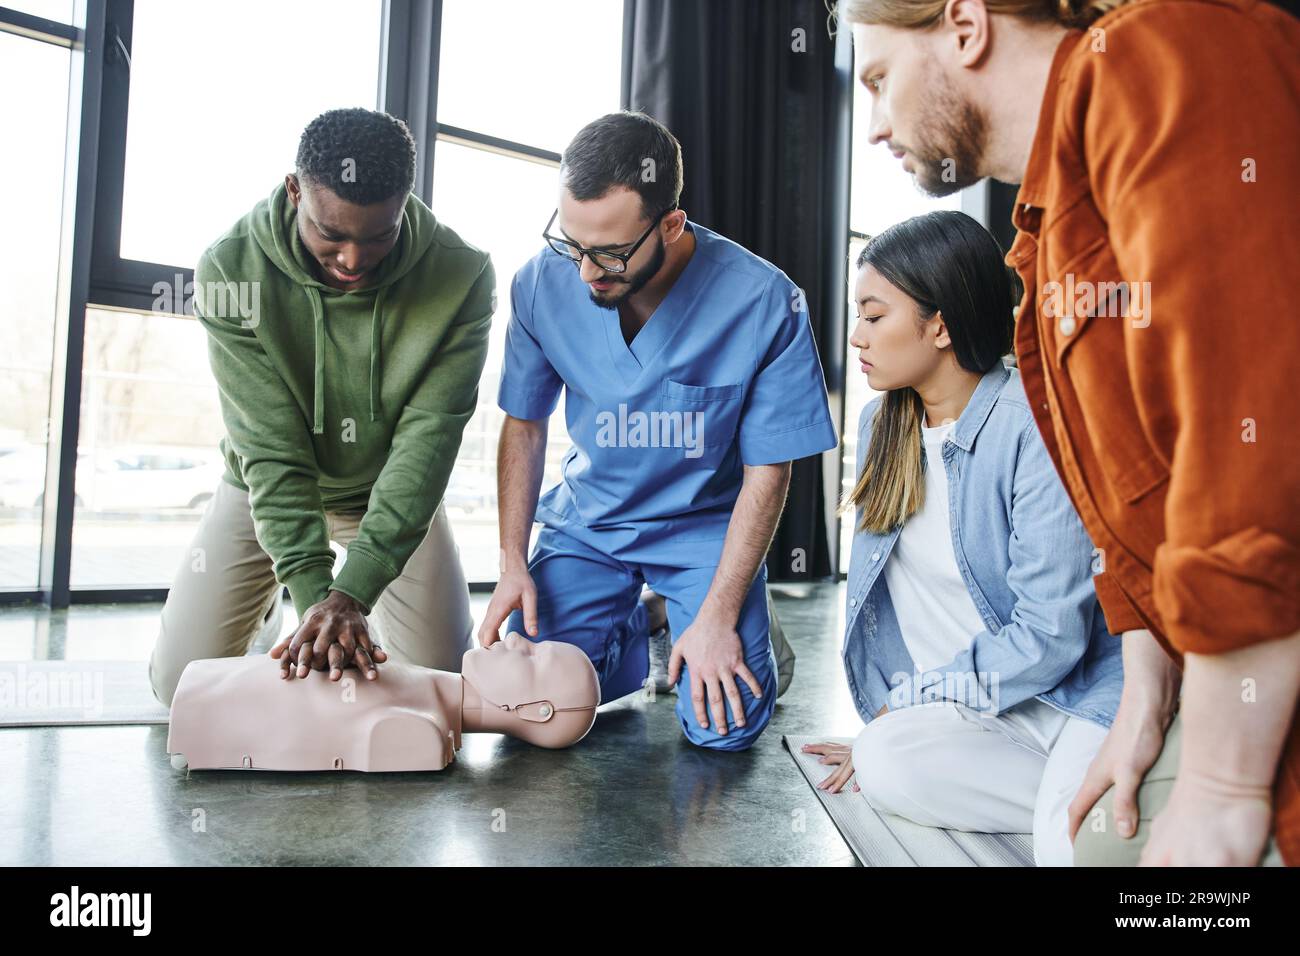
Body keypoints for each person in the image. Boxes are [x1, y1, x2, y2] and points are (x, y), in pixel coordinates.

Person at [839, 0, 1300, 864]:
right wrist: (1143, 699)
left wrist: (1223, 784)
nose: (875, 126)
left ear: (965, 27)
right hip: (1182, 670)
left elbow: (1255, 431)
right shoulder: (1042, 246)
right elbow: (1128, 526)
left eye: (879, 81)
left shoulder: (1157, 54)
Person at [477, 111, 838, 750]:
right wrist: (511, 561)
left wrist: (722, 613)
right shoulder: (541, 282)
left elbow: (769, 469)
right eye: (572, 243)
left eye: (611, 252)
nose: (586, 271)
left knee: (722, 729)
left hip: (703, 530)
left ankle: (730, 618)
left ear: (671, 225)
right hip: (594, 521)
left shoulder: (765, 303)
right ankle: (652, 623)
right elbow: (525, 425)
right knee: (535, 706)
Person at [149, 108, 495, 706]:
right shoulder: (231, 269)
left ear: (405, 203)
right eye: (331, 234)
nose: (354, 261)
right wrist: (316, 601)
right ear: (294, 191)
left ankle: (368, 610)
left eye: (377, 236)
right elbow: (270, 448)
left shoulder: (462, 276)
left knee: (442, 687)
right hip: (269, 487)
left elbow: (426, 445)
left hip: (388, 492)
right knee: (177, 687)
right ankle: (263, 609)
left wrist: (353, 593)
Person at [806, 212, 1122, 865]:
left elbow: (1051, 638)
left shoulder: (1030, 425)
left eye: (874, 316)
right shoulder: (880, 424)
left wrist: (909, 703)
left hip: (1066, 695)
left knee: (1073, 851)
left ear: (940, 325)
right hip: (974, 709)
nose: (856, 336)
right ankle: (1084, 803)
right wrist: (895, 722)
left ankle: (1088, 803)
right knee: (887, 762)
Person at [167, 633, 602, 772]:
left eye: (530, 656)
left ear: (535, 711)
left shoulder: (419, 730)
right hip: (205, 690)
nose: (514, 638)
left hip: (202, 705)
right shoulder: (426, 694)